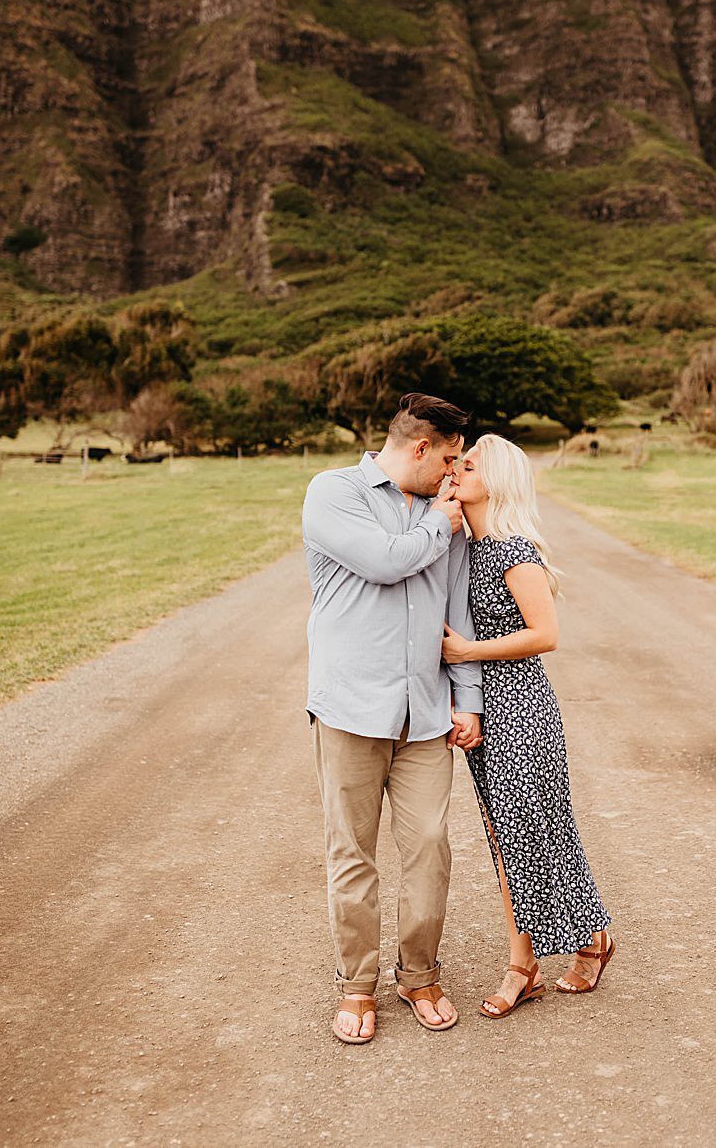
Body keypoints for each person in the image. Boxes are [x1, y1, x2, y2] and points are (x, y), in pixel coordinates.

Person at [301, 392, 483, 1044]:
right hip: (350, 708)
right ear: (419, 449)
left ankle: (420, 975)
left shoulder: (447, 512)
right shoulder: (334, 492)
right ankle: (357, 986)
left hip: (427, 714)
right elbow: (383, 561)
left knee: (430, 849)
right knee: (352, 853)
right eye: (450, 458)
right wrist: (440, 521)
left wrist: (468, 698)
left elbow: (457, 606)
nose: (454, 473)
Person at [442, 435, 615, 1017]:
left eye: (467, 466)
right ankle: (587, 939)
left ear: (496, 480)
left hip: (521, 707)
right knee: (506, 836)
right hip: (483, 707)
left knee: (530, 834)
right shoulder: (465, 546)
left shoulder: (513, 550)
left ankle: (524, 967)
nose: (455, 471)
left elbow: (546, 635)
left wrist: (468, 653)